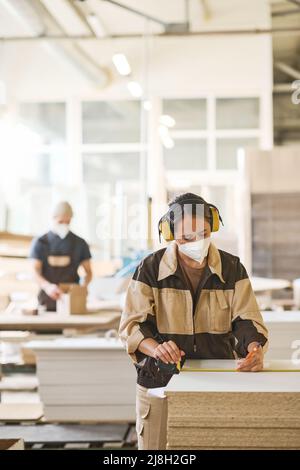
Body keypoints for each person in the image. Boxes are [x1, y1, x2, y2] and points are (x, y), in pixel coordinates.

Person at [119, 193, 268, 450]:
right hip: (160, 382)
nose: (196, 242)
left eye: (203, 233)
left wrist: (254, 348)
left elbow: (246, 320)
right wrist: (157, 348)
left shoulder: (232, 269)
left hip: (217, 380)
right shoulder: (150, 269)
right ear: (169, 233)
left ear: (213, 228)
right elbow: (133, 326)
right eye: (186, 238)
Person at [29, 201, 92, 311]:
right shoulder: (40, 242)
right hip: (47, 301)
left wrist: (83, 287)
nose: (64, 225)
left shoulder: (80, 243)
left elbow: (89, 272)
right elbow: (34, 272)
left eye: (67, 222)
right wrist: (47, 286)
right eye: (60, 221)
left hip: (72, 301)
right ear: (53, 218)